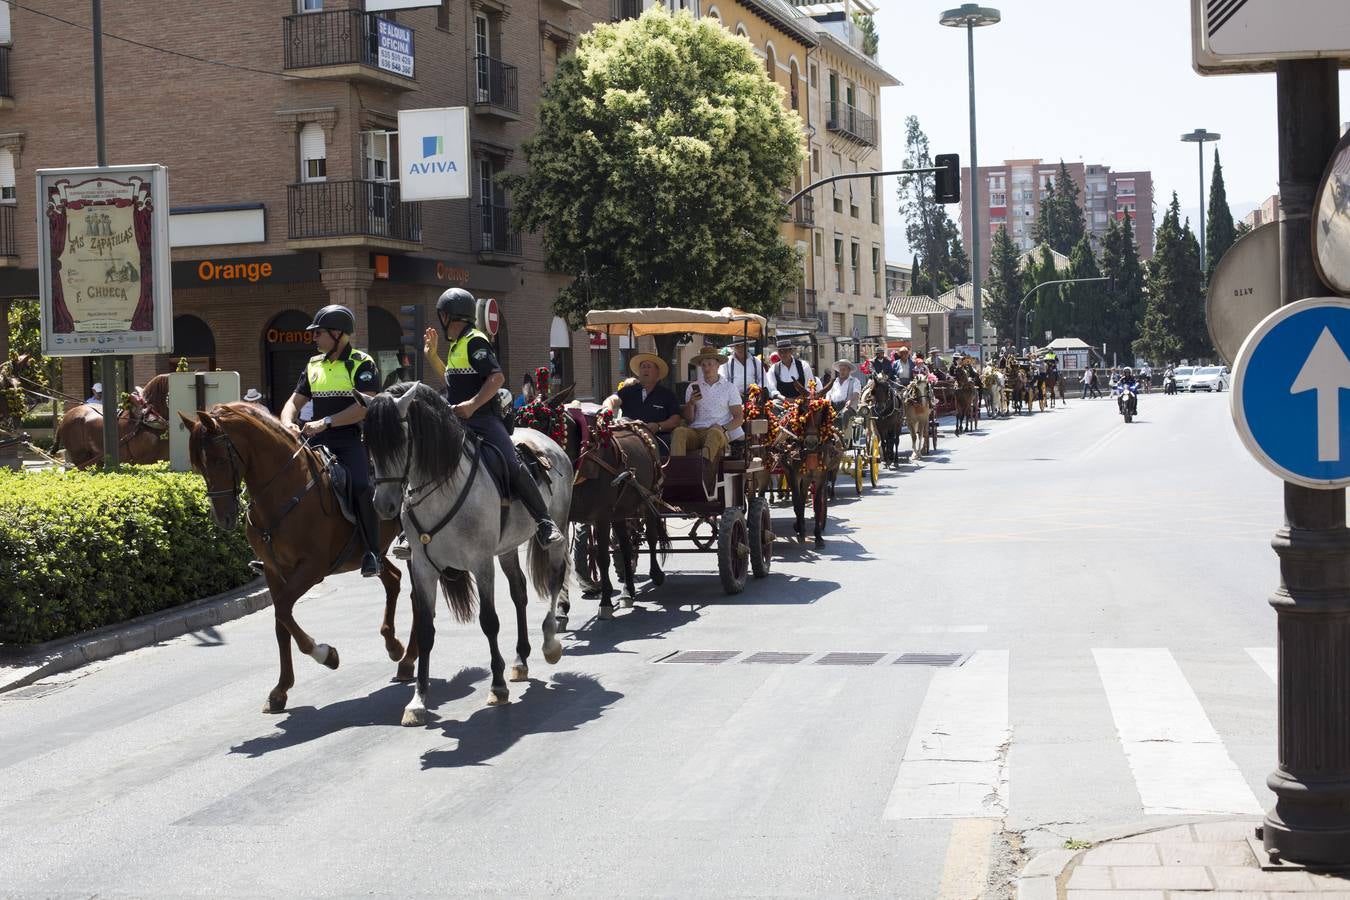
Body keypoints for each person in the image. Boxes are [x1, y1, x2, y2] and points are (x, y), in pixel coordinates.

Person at [424, 287, 562, 546]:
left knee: (511, 462)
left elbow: (496, 378)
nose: (440, 319)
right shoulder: (456, 346)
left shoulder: (475, 340)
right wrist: (432, 357)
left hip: (482, 420)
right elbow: (452, 385)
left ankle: (545, 522)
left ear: (448, 316)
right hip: (455, 421)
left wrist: (472, 405)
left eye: (441, 314)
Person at [279, 304, 383, 577]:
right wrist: (287, 422)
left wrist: (325, 422)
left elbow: (364, 407)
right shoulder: (313, 364)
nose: (314, 338)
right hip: (313, 439)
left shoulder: (362, 363)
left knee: (361, 486)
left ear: (338, 334)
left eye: (319, 333)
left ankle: (372, 552)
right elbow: (294, 401)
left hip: (348, 440)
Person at [671, 344, 744, 483]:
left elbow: (739, 418)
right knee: (679, 431)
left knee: (714, 433)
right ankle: (677, 477)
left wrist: (723, 428)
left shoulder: (729, 388)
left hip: (717, 432)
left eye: (710, 364)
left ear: (718, 365)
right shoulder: (692, 387)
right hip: (695, 431)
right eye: (703, 365)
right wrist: (691, 403)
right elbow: (689, 419)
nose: (706, 368)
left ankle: (703, 478)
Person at [610, 352, 682, 454]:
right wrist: (607, 407)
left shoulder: (667, 394)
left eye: (649, 367)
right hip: (629, 438)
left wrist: (658, 426)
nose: (645, 370)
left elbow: (675, 420)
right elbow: (613, 399)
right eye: (643, 367)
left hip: (658, 439)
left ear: (657, 373)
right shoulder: (628, 391)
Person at [826, 359, 861, 434]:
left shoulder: (855, 381)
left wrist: (850, 401)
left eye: (844, 370)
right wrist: (828, 403)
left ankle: (843, 434)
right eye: (840, 370)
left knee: (844, 413)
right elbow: (828, 394)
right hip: (833, 407)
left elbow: (856, 393)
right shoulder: (834, 382)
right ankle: (826, 435)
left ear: (849, 370)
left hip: (848, 407)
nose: (842, 372)